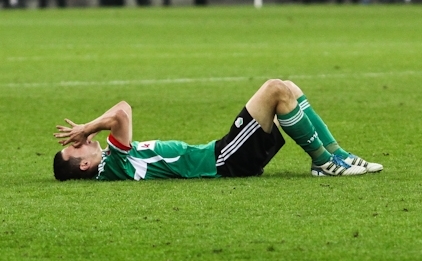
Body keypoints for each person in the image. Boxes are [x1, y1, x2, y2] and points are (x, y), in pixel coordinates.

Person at [53, 78, 383, 182]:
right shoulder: (112, 168)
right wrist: (88, 126)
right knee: (274, 91)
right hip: (222, 162)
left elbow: (121, 110)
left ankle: (337, 156)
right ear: (84, 164)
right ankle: (323, 164)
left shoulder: (112, 159)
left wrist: (88, 129)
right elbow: (122, 112)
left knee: (288, 87)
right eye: (78, 146)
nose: (83, 140)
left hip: (223, 157)